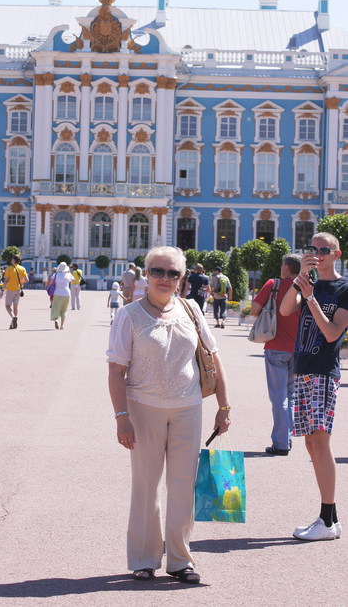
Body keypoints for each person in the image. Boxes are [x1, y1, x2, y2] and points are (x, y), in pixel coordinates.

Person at [107, 246, 231, 583]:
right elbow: (116, 370)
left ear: (182, 278)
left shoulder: (191, 310)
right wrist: (122, 416)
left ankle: (179, 559)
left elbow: (213, 358)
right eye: (158, 272)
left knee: (183, 487)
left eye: (173, 273)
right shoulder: (129, 315)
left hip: (188, 408)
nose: (165, 278)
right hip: (143, 409)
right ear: (146, 275)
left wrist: (224, 406)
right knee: (146, 485)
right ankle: (145, 558)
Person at [280, 232, 348, 541]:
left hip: (323, 371)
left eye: (323, 249)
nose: (317, 253)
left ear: (337, 254)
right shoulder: (307, 282)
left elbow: (333, 333)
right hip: (304, 369)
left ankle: (327, 519)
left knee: (320, 443)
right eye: (313, 248)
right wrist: (300, 281)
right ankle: (330, 519)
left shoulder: (343, 288)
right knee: (310, 443)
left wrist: (311, 298)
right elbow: (284, 310)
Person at [251, 254, 301, 455]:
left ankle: (281, 443)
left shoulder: (274, 284)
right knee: (290, 394)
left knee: (278, 396)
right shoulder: (305, 287)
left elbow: (254, 310)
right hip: (298, 349)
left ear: (287, 268)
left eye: (282, 265)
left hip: (276, 345)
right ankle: (287, 437)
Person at [2, 254, 28, 329]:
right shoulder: (22, 268)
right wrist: (20, 282)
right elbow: (26, 279)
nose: (11, 260)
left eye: (12, 259)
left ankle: (13, 317)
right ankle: (12, 324)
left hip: (10, 289)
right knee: (15, 307)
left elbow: (6, 281)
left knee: (7, 306)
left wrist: (2, 290)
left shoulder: (9, 268)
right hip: (18, 289)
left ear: (14, 260)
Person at [50, 262, 74, 330]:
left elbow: (51, 282)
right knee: (64, 310)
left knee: (56, 308)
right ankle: (62, 326)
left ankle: (56, 319)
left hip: (57, 293)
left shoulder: (55, 274)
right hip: (66, 293)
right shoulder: (68, 274)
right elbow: (73, 280)